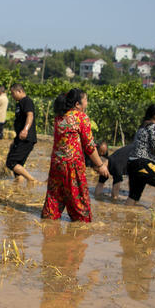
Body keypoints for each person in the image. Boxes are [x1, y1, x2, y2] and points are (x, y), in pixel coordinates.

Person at [42, 89, 109, 222]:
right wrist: (101, 165)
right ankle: (79, 234)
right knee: (79, 200)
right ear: (78, 104)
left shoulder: (59, 116)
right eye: (86, 100)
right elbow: (89, 147)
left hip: (57, 164)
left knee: (54, 197)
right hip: (73, 165)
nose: (87, 103)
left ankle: (48, 229)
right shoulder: (81, 117)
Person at [5, 83, 37, 182]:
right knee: (18, 167)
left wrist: (25, 129)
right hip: (21, 138)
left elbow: (30, 115)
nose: (12, 96)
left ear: (19, 91)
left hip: (26, 137)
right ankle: (18, 188)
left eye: (13, 93)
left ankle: (32, 180)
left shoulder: (27, 101)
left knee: (11, 162)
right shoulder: (20, 103)